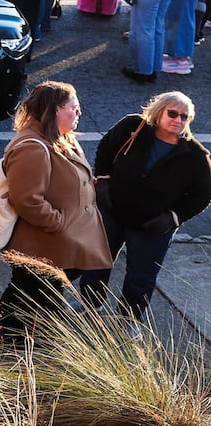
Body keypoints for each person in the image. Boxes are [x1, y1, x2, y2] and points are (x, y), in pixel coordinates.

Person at [79, 92, 211, 330]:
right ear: (158, 111)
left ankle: (129, 320)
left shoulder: (195, 157)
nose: (178, 120)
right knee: (96, 262)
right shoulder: (132, 127)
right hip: (113, 211)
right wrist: (103, 180)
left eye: (184, 116)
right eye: (173, 113)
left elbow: (203, 194)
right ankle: (89, 305)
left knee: (141, 277)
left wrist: (173, 217)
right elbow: (106, 148)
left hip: (152, 226)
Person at [0, 81, 111, 342]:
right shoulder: (32, 147)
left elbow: (60, 181)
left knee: (27, 297)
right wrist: (59, 223)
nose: (79, 113)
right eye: (74, 108)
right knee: (38, 303)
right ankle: (21, 349)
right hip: (41, 246)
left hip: (54, 246)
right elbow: (27, 200)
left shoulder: (60, 139)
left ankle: (12, 343)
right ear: (55, 109)